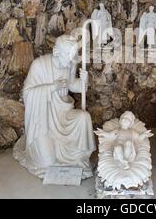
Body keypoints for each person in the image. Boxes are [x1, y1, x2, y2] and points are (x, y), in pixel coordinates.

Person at [13, 35, 96, 179]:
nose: (71, 61)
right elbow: (27, 94)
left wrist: (83, 81)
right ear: (56, 52)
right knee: (47, 162)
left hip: (63, 114)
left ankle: (80, 159)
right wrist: (52, 87)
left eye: (73, 57)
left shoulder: (69, 64)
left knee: (84, 117)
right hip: (43, 121)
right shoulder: (39, 65)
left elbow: (72, 85)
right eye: (68, 57)